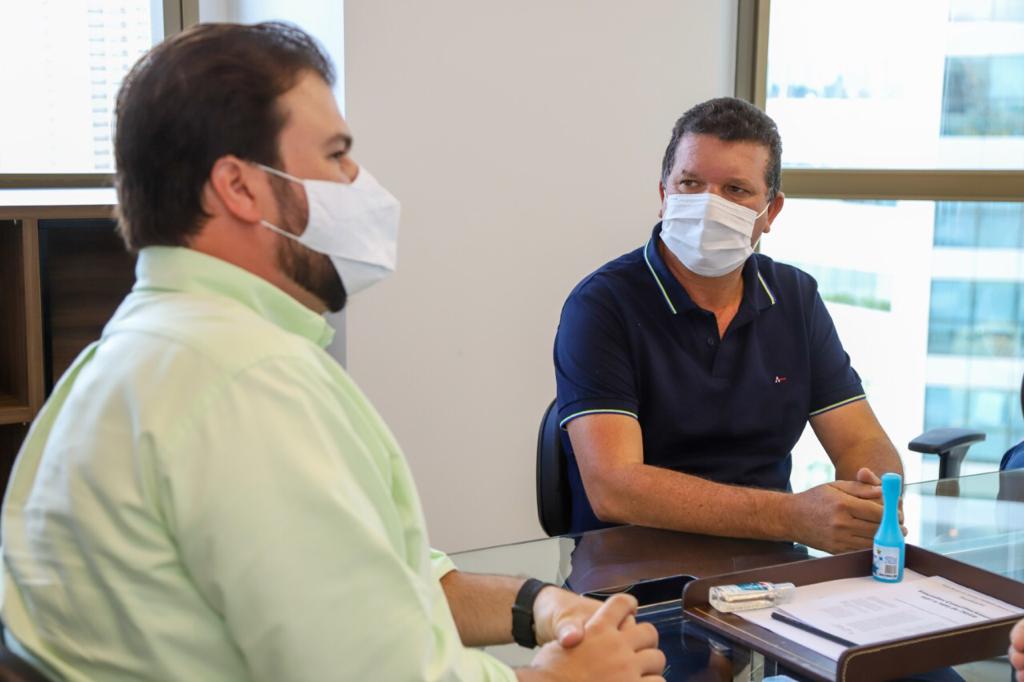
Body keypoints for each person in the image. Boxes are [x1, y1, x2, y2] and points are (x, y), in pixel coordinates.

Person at [0, 22, 665, 682]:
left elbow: (372, 589)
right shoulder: (248, 382)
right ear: (240, 187)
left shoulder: (144, 353)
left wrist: (539, 605)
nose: (359, 183)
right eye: (337, 155)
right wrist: (562, 679)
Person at [553, 97, 904, 552]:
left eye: (736, 190)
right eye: (691, 183)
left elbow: (861, 438)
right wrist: (792, 516)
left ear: (771, 212)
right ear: (664, 195)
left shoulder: (794, 296)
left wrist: (874, 502)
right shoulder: (602, 304)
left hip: (771, 568)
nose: (708, 205)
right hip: (634, 573)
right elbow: (614, 488)